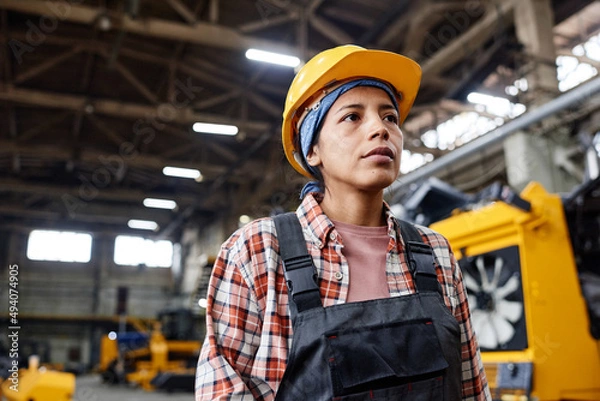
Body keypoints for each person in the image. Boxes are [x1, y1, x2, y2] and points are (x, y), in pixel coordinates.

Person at [195, 45, 491, 401]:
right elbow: (223, 392)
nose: (380, 130)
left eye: (390, 118)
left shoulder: (435, 253)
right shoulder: (257, 251)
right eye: (353, 116)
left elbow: (471, 386)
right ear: (312, 150)